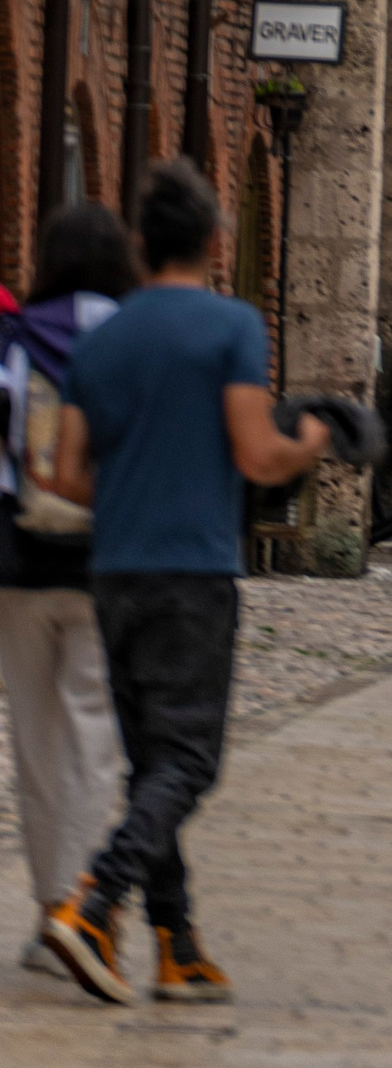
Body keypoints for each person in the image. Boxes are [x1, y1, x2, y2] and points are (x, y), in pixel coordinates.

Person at [40, 158, 328, 1007]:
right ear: (213, 241)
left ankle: (178, 942)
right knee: (190, 759)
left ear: (139, 243)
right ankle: (95, 902)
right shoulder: (230, 325)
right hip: (192, 567)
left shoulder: (102, 336)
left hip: (115, 568)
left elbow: (61, 470)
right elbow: (255, 451)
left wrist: (131, 485)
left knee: (150, 761)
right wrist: (310, 439)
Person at [0, 201, 135, 976]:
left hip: (20, 561)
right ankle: (89, 911)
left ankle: (51, 902)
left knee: (34, 736)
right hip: (108, 559)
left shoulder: (17, 337)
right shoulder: (135, 339)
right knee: (95, 733)